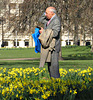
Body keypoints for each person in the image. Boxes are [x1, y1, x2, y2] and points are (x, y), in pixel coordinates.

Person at [39, 7, 61, 78]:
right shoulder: (49, 20)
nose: (45, 15)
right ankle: (53, 83)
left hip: (53, 47)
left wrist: (44, 32)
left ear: (52, 13)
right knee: (50, 67)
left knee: (54, 68)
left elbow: (55, 33)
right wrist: (45, 12)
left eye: (47, 13)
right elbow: (40, 20)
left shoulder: (56, 20)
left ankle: (57, 83)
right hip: (49, 46)